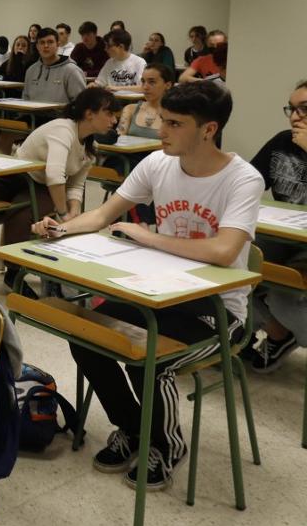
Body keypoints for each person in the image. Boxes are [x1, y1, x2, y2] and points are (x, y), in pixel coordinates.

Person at [32, 81, 263, 491]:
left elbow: (226, 250)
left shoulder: (243, 179)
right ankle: (135, 429)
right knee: (85, 333)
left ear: (208, 130)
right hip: (156, 294)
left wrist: (146, 235)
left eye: (175, 123)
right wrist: (58, 229)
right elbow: (103, 214)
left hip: (218, 309)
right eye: (163, 120)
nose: (162, 130)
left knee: (153, 362)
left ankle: (167, 445)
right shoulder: (157, 163)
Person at [0, 89, 121, 281]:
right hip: (15, 176)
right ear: (89, 114)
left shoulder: (90, 147)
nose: (114, 121)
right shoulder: (63, 130)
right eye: (109, 114)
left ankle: (15, 273)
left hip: (40, 184)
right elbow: (55, 176)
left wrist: (74, 211)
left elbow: (76, 185)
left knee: (29, 212)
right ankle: (6, 266)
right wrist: (63, 213)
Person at [244, 80, 307, 371]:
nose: (295, 117)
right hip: (283, 236)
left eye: (304, 109)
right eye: (292, 109)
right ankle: (276, 333)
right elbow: (247, 182)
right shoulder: (283, 141)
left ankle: (286, 328)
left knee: (286, 299)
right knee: (228, 265)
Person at [23, 29, 86, 104]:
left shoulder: (71, 71)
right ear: (37, 46)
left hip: (60, 115)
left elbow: (81, 103)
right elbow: (25, 99)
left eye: (50, 42)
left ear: (58, 45)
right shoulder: (31, 70)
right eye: (42, 42)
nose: (46, 46)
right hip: (32, 115)